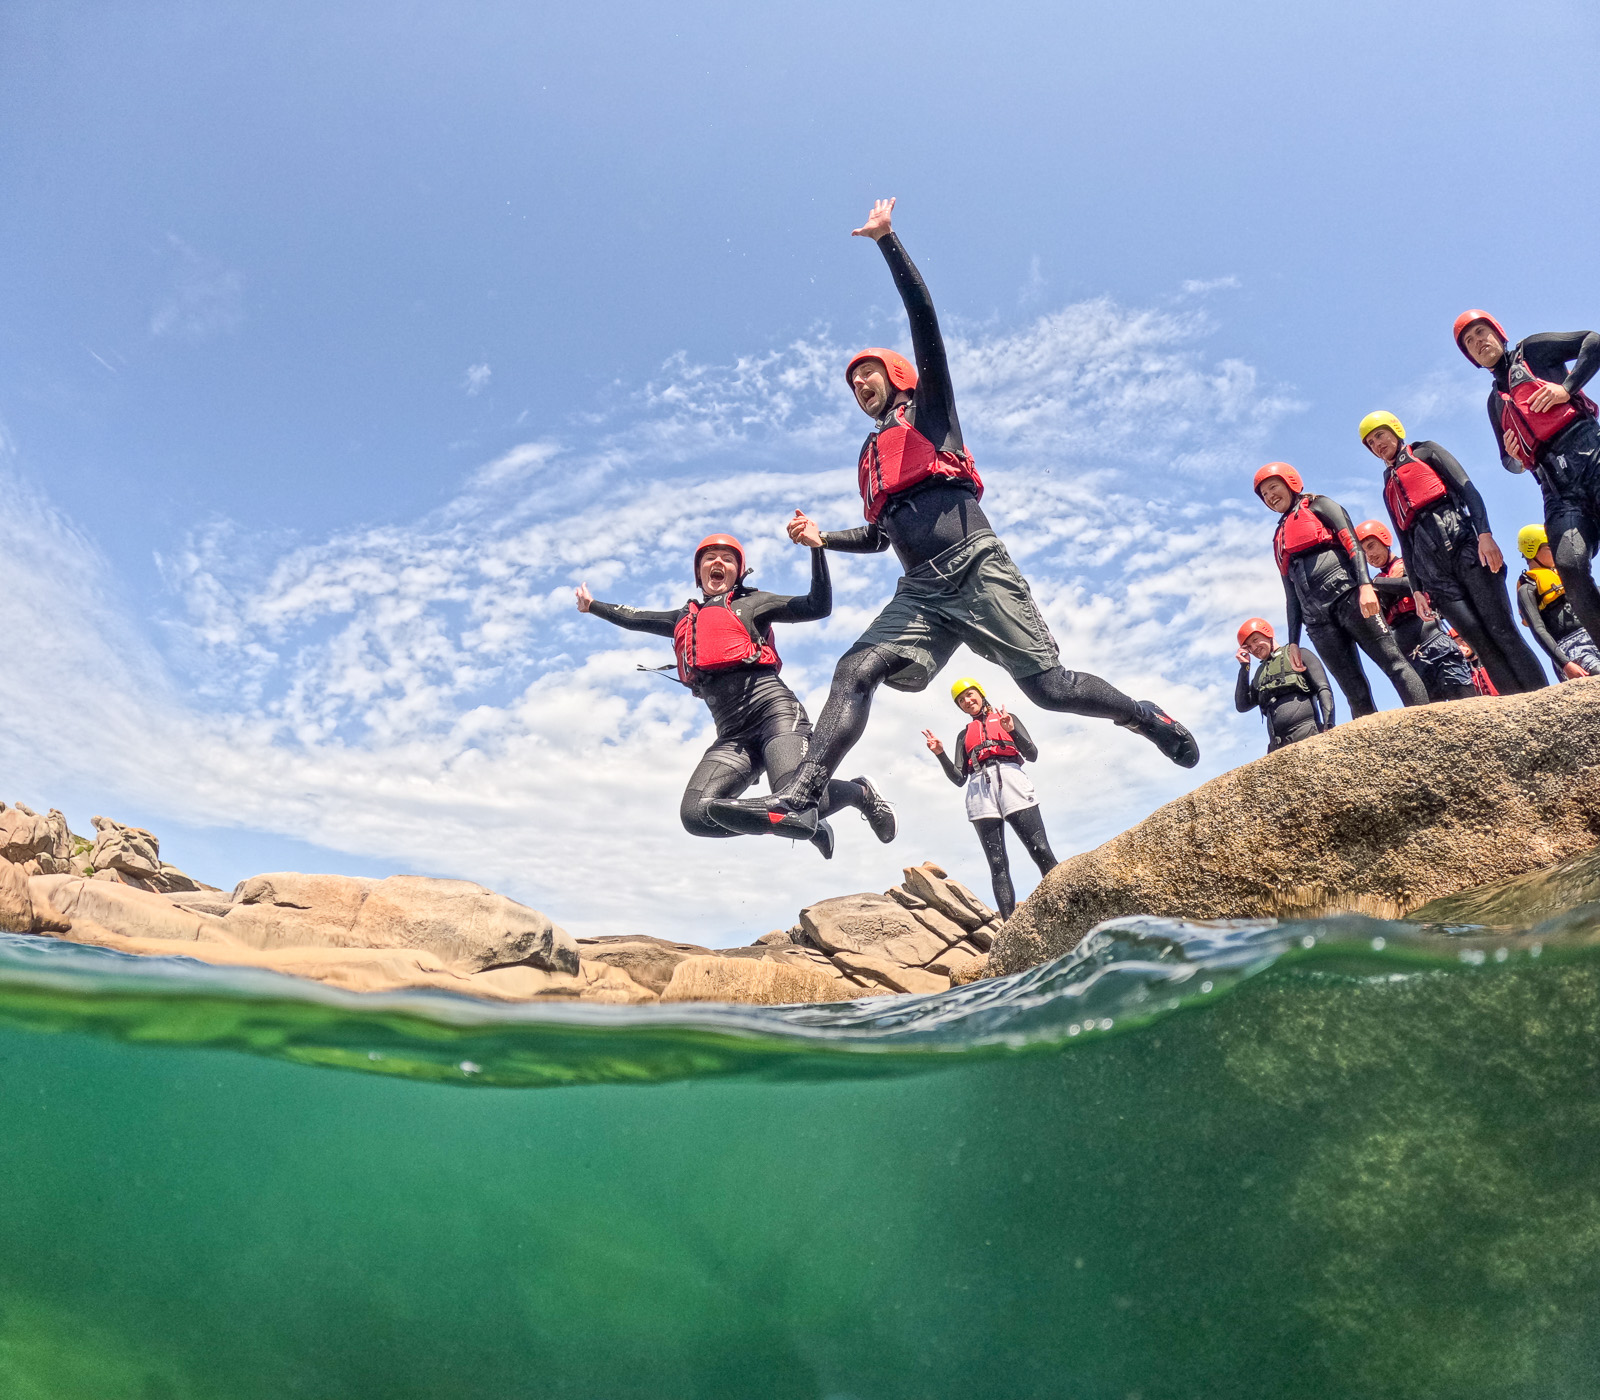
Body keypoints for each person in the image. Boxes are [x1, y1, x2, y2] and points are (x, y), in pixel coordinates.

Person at [706, 199, 1198, 838]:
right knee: (854, 670)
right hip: (921, 592)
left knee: (1048, 688)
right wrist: (822, 537)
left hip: (975, 566)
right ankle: (801, 796)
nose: (860, 386)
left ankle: (1141, 715)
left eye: (869, 375)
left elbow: (924, 319)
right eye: (853, 383)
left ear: (899, 377)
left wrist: (887, 242)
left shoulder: (932, 416)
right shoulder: (871, 455)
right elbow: (882, 536)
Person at [575, 533, 898, 857]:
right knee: (697, 815)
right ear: (698, 571)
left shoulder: (753, 603)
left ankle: (860, 793)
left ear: (738, 571)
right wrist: (592, 606)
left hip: (774, 714)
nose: (718, 562)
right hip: (732, 735)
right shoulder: (681, 619)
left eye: (727, 558)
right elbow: (633, 616)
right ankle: (802, 821)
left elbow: (818, 605)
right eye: (709, 557)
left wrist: (817, 549)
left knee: (794, 793)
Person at [1357, 409, 1545, 694]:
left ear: (1395, 430)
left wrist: (1485, 535)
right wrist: (1418, 589)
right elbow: (1403, 539)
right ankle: (1516, 708)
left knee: (1502, 631)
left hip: (1466, 548)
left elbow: (1469, 491)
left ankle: (1540, 697)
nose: (1377, 444)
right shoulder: (1388, 487)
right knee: (1479, 641)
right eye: (1370, 443)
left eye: (1379, 435)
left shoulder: (1427, 452)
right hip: (1435, 574)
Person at [1454, 311, 1600, 646]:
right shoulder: (1495, 403)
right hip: (1557, 490)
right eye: (1470, 343)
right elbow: (1510, 462)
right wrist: (1515, 456)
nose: (1479, 342)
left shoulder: (1532, 351)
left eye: (1481, 333)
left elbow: (1594, 341)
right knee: (1569, 566)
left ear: (1498, 333)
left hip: (1590, 456)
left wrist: (1567, 389)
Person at [1253, 462, 1427, 717]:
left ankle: (1425, 721)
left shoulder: (1319, 505)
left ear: (1290, 482)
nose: (1270, 496)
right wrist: (1293, 641)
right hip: (1317, 621)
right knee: (1353, 690)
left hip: (1349, 598)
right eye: (1264, 495)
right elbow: (1291, 596)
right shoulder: (1279, 538)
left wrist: (1365, 586)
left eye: (1273, 487)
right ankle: (1373, 749)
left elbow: (1354, 545)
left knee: (1394, 663)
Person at [922, 678, 1057, 921]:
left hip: (1011, 779)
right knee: (997, 863)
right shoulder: (964, 735)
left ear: (981, 694)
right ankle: (1009, 926)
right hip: (978, 788)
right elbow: (958, 778)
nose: (967, 701)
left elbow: (1032, 755)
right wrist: (940, 754)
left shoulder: (1006, 718)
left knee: (1040, 849)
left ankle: (1064, 901)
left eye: (970, 695)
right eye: (961, 700)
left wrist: (1011, 729)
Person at [1353, 520, 1479, 702]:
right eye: (1364, 552)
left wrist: (1378, 584)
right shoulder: (1374, 588)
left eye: (1371, 546)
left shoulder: (1409, 564)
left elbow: (1410, 585)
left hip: (1438, 647)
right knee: (1433, 724)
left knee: (1467, 706)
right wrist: (1378, 585)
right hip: (1412, 662)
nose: (1370, 555)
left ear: (1384, 539)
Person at [1233, 617, 1335, 752]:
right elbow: (1242, 705)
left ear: (1267, 633)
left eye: (1255, 640)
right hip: (1278, 747)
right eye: (1249, 647)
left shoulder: (1298, 654)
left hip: (1308, 734)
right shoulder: (1260, 674)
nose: (1254, 648)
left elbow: (1324, 688)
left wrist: (1329, 727)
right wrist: (1244, 667)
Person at [1513, 524, 1600, 680]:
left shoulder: (1568, 575)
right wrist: (1565, 664)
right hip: (1571, 649)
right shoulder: (1527, 589)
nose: (1555, 550)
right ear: (1531, 549)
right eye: (1549, 546)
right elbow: (1539, 630)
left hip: (1594, 635)